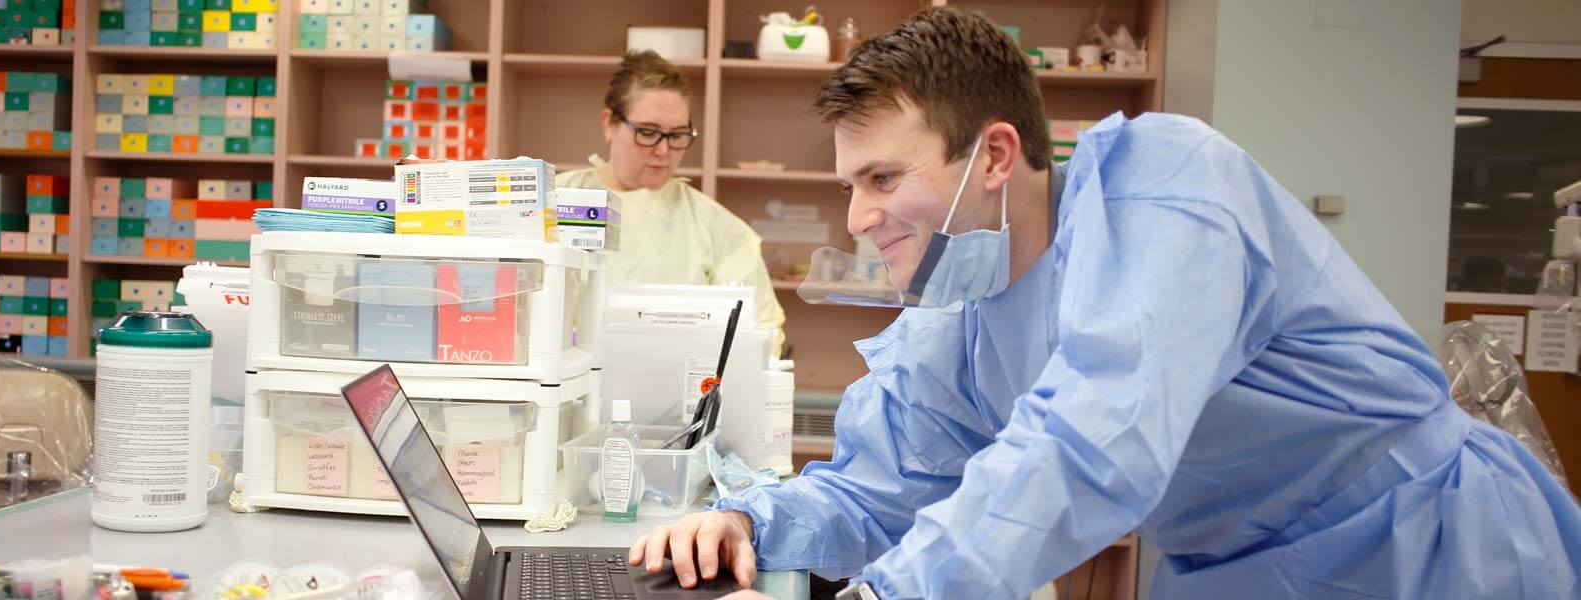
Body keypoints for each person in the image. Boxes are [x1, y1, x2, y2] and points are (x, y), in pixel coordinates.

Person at [628, 7, 1581, 600]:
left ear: (996, 156)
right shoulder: (955, 310)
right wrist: (751, 525)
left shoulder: (1165, 189)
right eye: (849, 184)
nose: (861, 215)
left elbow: (1096, 439)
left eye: (882, 177)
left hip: (1426, 549)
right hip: (1234, 571)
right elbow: (885, 487)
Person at [555, 50, 786, 353]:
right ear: (609, 123)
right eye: (648, 132)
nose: (664, 151)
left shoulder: (717, 227)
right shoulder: (551, 204)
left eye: (677, 135)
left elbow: (762, 332)